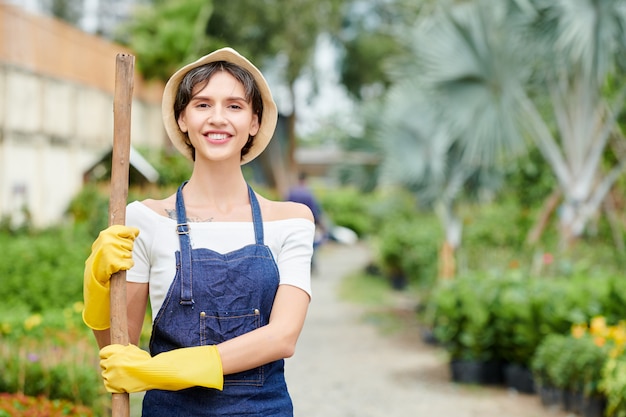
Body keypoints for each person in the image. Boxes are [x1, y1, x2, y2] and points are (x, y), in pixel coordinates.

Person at [82, 47, 315, 416]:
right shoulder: (145, 218)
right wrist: (96, 283)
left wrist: (167, 370)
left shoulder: (290, 220)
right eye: (202, 104)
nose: (218, 118)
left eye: (235, 106)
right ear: (182, 119)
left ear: (254, 122)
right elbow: (117, 344)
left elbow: (282, 336)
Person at [286, 172, 326, 272]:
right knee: (311, 245)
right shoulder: (309, 194)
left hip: (292, 223)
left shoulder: (291, 192)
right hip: (307, 223)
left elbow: (286, 206)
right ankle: (311, 265)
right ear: (306, 180)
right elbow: (315, 210)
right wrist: (320, 224)